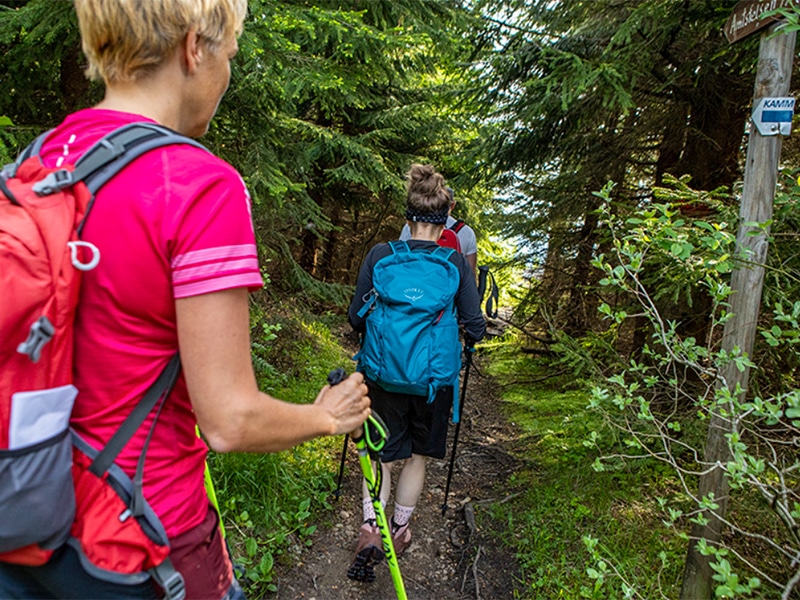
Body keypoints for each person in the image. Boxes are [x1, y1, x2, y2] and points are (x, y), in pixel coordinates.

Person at [0, 1, 370, 599]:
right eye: (228, 54)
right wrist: (328, 416)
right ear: (194, 47)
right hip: (140, 540)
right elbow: (228, 420)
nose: (226, 74)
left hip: (20, 511)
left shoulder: (40, 160)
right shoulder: (199, 186)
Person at [347, 164, 486, 580]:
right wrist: (472, 335)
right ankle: (401, 530)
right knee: (417, 456)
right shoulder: (455, 262)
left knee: (380, 455)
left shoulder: (380, 255)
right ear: (446, 221)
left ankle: (370, 530)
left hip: (382, 374)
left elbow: (356, 316)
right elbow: (474, 323)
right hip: (433, 381)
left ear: (408, 218)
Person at [399, 186, 478, 279]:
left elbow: (400, 256)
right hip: (450, 289)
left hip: (414, 283)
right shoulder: (466, 232)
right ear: (452, 205)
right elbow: (470, 274)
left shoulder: (412, 226)